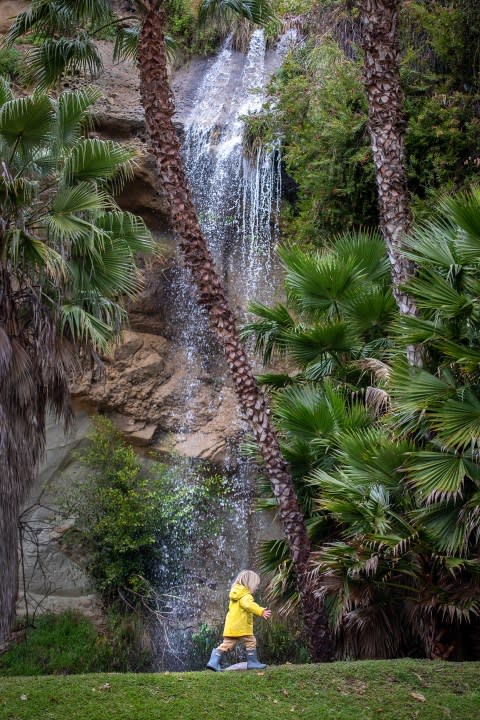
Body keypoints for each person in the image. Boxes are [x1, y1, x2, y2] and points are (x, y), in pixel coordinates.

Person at [206, 569, 272, 672]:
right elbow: (248, 605)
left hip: (232, 627)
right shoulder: (245, 596)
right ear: (250, 584)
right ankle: (252, 662)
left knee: (227, 644)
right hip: (241, 627)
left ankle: (213, 662)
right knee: (251, 641)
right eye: (256, 585)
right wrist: (261, 611)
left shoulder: (235, 593)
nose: (256, 588)